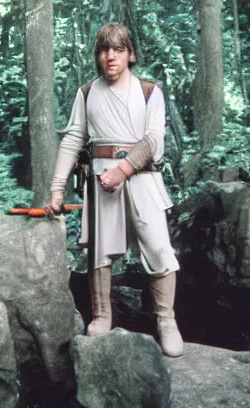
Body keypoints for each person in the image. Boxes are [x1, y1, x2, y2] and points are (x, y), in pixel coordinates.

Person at [49, 22, 183, 357]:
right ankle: (102, 315)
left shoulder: (150, 91)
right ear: (97, 55)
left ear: (130, 54)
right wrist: (57, 188)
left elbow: (153, 140)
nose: (110, 56)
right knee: (99, 252)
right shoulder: (86, 93)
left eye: (118, 49)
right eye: (104, 50)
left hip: (141, 179)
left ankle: (166, 321)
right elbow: (72, 139)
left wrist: (123, 169)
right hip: (100, 179)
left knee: (159, 248)